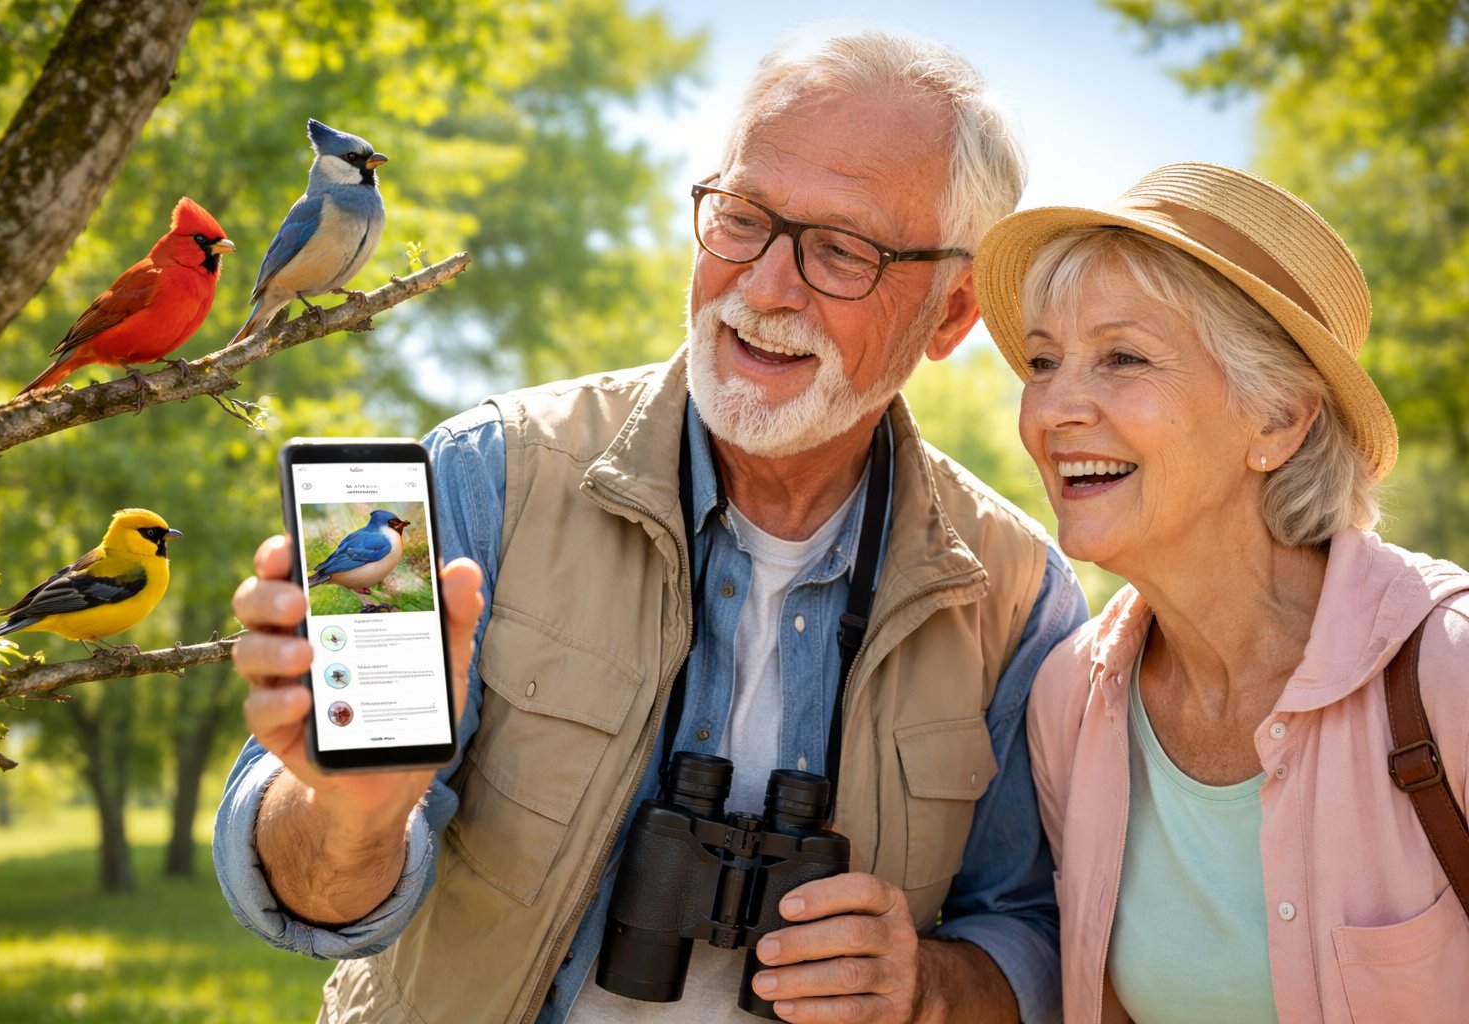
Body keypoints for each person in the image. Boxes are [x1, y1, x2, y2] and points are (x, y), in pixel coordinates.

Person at [215, 28, 1089, 1024]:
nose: (763, 286)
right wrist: (353, 814)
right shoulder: (485, 475)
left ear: (951, 312)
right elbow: (307, 892)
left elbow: (1039, 929)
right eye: (743, 218)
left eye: (842, 251)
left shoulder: (1018, 594)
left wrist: (924, 984)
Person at [972, 161, 1469, 1023]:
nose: (1052, 408)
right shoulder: (1070, 704)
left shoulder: (1450, 672)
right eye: (1045, 361)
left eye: (1123, 357)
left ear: (1278, 420)